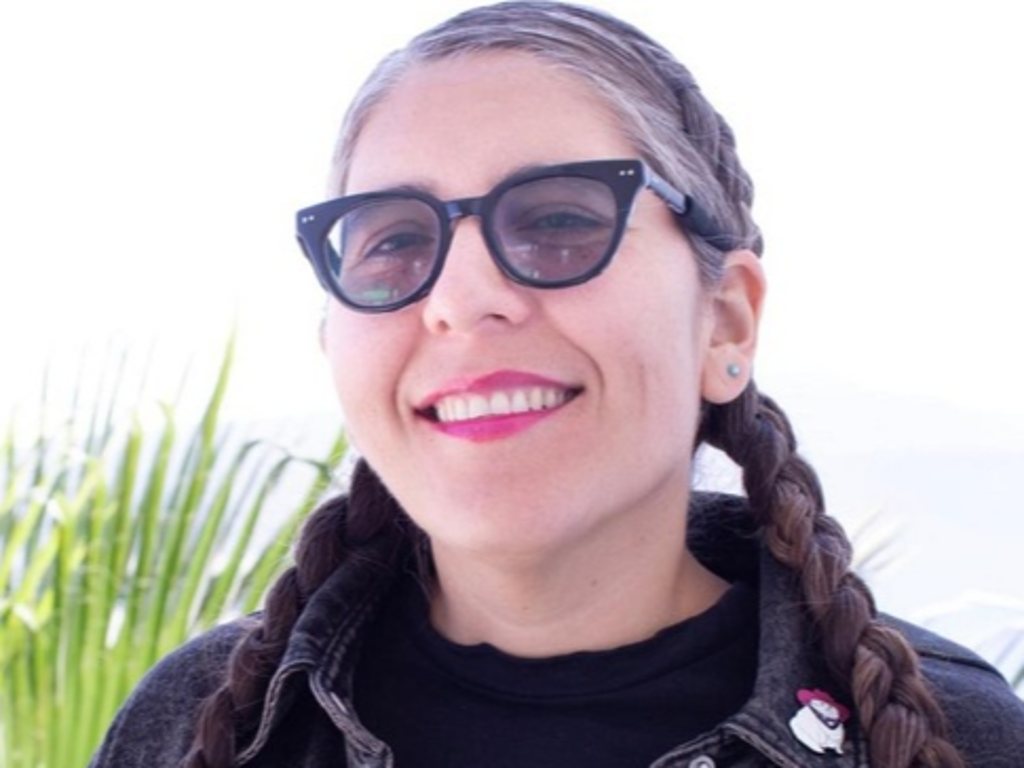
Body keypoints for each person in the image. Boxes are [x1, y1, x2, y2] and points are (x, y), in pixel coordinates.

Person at [90, 3, 1024, 767]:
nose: (461, 300)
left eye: (559, 222)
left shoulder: (954, 737)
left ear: (726, 322)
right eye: (395, 240)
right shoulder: (195, 723)